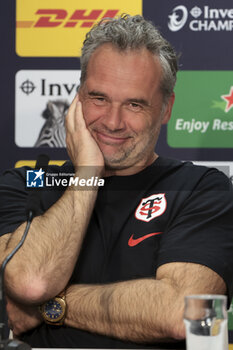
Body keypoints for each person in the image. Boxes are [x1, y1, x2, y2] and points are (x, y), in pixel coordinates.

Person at [0, 14, 233, 349]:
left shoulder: (202, 188)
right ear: (78, 97)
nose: (112, 121)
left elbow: (188, 318)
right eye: (99, 98)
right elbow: (33, 282)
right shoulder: (26, 183)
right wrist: (87, 174)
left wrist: (51, 306)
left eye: (134, 104)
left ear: (166, 109)